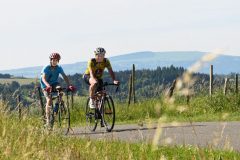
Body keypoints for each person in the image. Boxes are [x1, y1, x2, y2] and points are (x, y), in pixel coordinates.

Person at [40, 52, 75, 127]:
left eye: (56, 60)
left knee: (60, 89)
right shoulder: (46, 67)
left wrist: (69, 85)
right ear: (50, 60)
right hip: (45, 85)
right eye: (53, 60)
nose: (54, 62)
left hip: (54, 83)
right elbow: (43, 78)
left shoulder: (59, 67)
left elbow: (64, 76)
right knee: (49, 100)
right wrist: (48, 86)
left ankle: (57, 106)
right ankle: (48, 120)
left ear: (58, 61)